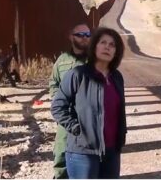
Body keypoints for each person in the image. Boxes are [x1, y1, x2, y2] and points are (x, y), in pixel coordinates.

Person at [51, 27, 127, 179]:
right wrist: (77, 129)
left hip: (111, 152)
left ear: (116, 52)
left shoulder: (117, 77)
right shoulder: (78, 74)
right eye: (103, 42)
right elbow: (58, 106)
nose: (107, 47)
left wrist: (121, 135)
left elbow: (119, 112)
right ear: (94, 46)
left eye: (112, 45)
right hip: (83, 153)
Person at [49, 23, 91, 179]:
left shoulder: (95, 60)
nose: (84, 38)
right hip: (66, 116)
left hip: (88, 116)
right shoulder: (62, 60)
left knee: (89, 156)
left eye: (87, 35)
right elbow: (53, 83)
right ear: (71, 37)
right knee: (61, 152)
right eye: (80, 35)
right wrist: (56, 100)